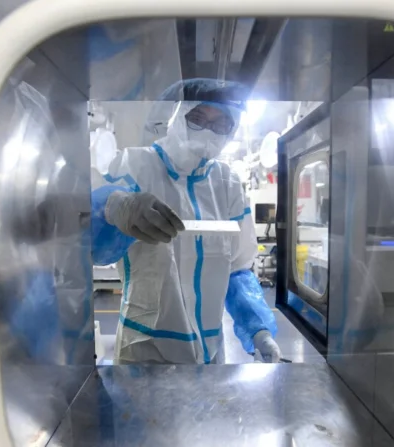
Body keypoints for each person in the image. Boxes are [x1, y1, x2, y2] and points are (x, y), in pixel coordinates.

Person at [90, 79, 280, 364]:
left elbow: (237, 271)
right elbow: (96, 248)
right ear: (176, 116)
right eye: (198, 118)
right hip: (145, 348)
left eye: (221, 124)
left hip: (211, 353)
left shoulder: (227, 183)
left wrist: (258, 330)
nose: (208, 130)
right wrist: (112, 205)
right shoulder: (135, 165)